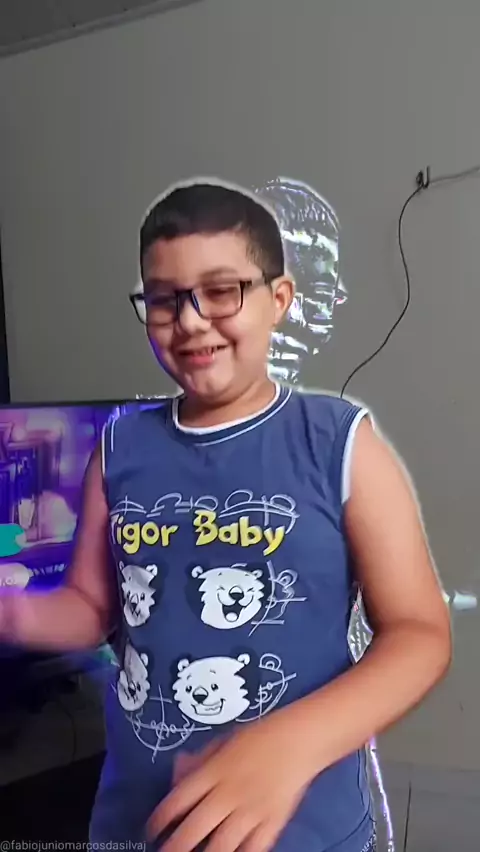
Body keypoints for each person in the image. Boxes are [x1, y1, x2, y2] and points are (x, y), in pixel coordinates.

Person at [0, 179, 451, 852]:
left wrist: (287, 747)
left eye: (221, 291)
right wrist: (11, 612)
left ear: (279, 300)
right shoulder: (118, 447)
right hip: (136, 824)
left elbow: (419, 633)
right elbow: (91, 610)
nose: (189, 321)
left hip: (303, 834)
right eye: (164, 298)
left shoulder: (339, 442)